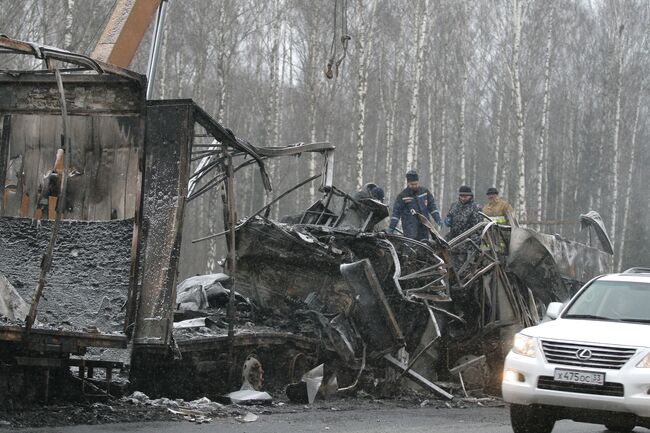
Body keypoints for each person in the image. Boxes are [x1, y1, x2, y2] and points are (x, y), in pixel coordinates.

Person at [386, 170, 442, 241]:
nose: (414, 186)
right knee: (412, 249)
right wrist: (392, 227)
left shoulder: (424, 192)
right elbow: (396, 214)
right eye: (412, 184)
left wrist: (437, 218)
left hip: (424, 228)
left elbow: (432, 206)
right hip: (410, 230)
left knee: (425, 248)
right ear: (408, 183)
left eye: (416, 184)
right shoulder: (402, 196)